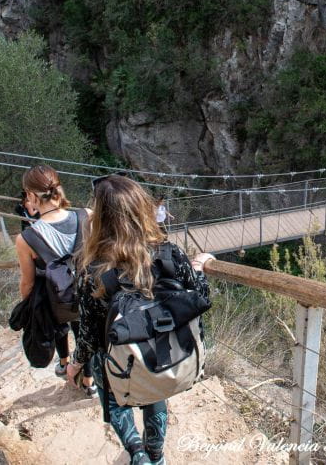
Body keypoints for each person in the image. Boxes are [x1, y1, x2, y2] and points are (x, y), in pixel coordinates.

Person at [67, 174, 214, 465]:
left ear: (100, 218)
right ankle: (156, 455)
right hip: (159, 350)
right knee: (152, 390)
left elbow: (90, 333)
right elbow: (199, 296)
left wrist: (75, 362)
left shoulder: (92, 269)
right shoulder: (169, 254)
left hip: (116, 359)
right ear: (142, 209)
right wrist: (198, 267)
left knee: (114, 394)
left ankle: (137, 454)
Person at [14, 165, 96, 396]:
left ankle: (64, 362)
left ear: (30, 196)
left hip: (56, 297)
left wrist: (28, 306)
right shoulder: (87, 216)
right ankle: (89, 381)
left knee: (60, 328)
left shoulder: (27, 238)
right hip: (89, 291)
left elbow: (27, 282)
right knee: (84, 334)